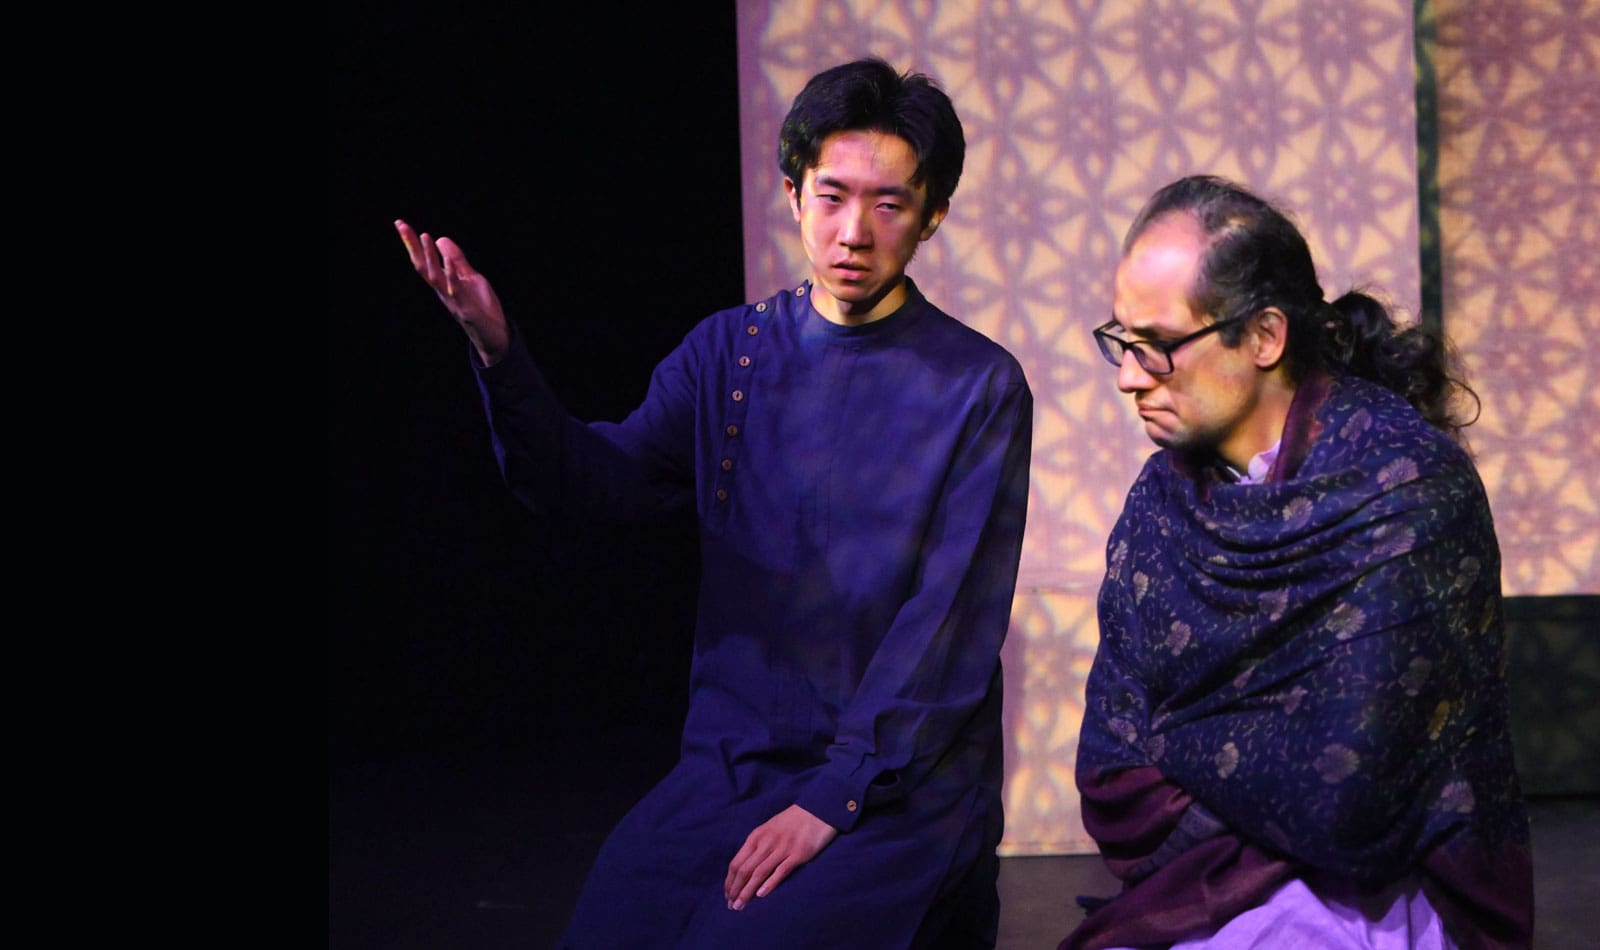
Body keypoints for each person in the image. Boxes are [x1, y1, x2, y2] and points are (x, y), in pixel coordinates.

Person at [395, 57, 1032, 949]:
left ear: (932, 216)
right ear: (793, 192)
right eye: (833, 196)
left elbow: (949, 620)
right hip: (735, 764)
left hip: (899, 781)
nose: (854, 232)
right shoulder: (728, 354)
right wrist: (502, 357)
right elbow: (590, 488)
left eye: (888, 204)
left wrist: (833, 798)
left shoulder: (978, 385)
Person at [1064, 175, 1532, 949]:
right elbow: (1114, 785)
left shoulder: (1410, 491)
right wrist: (1256, 756)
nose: (1127, 375)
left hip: (1382, 900)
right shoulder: (1159, 501)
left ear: (1264, 337)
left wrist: (1178, 739)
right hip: (1199, 891)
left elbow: (1346, 803)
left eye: (1157, 346)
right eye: (1121, 339)